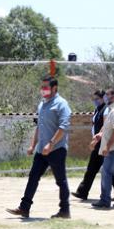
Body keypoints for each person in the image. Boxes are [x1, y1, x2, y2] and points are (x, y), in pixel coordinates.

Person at [6, 75, 72, 219]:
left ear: (54, 88)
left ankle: (65, 211)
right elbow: (39, 127)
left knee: (60, 180)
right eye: (42, 87)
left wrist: (51, 143)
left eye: (46, 87)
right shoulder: (42, 104)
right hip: (41, 149)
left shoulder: (62, 104)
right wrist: (32, 145)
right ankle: (24, 208)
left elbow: (63, 127)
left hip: (56, 149)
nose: (43, 90)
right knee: (33, 177)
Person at [72, 90, 114, 201]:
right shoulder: (97, 110)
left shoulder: (106, 110)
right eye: (94, 99)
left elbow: (106, 126)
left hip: (102, 143)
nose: (95, 101)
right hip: (99, 142)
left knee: (105, 169)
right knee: (93, 168)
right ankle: (82, 191)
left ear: (103, 98)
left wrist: (97, 139)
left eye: (97, 99)